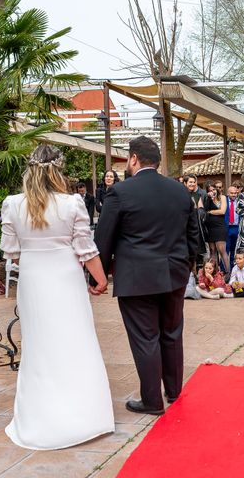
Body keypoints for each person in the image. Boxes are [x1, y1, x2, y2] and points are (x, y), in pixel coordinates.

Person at [0, 145, 114, 449]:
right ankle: (84, 414)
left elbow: (11, 253)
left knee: (39, 344)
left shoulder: (12, 204)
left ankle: (40, 414)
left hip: (33, 278)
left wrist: (36, 258)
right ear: (58, 172)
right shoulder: (72, 203)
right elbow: (86, 250)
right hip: (65, 276)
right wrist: (101, 280)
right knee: (75, 339)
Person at [94, 136, 199, 415]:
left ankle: (152, 401)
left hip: (137, 277)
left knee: (145, 338)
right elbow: (194, 236)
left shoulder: (120, 192)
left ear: (133, 159)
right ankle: (174, 391)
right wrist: (187, 266)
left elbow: (104, 237)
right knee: (172, 332)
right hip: (174, 273)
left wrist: (97, 276)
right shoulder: (180, 192)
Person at [201, 181, 230, 271]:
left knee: (222, 251)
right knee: (212, 251)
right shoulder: (206, 199)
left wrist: (211, 212)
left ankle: (228, 272)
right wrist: (209, 198)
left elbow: (222, 211)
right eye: (210, 190)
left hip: (219, 226)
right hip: (209, 227)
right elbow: (204, 211)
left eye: (213, 189)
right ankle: (215, 273)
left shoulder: (223, 197)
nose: (212, 191)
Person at [225, 186, 241, 271]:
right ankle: (224, 269)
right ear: (228, 193)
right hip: (227, 227)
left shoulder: (239, 201)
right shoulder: (224, 201)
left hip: (236, 227)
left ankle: (233, 268)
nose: (234, 195)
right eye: (231, 193)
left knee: (234, 249)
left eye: (235, 193)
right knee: (225, 249)